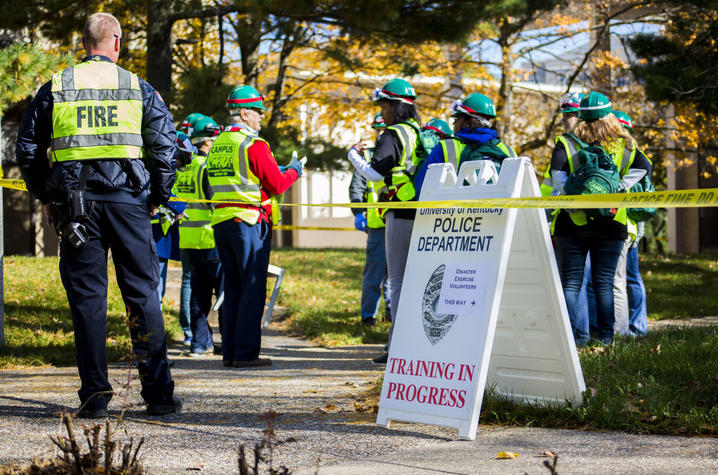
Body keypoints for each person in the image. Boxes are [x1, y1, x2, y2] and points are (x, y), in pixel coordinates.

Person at [16, 12, 179, 417]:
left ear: (83, 42)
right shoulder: (136, 86)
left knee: (88, 300)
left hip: (75, 207)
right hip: (129, 204)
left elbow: (28, 150)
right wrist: (156, 196)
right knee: (143, 295)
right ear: (117, 42)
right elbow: (164, 147)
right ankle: (157, 395)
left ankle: (95, 398)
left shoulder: (57, 86)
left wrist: (48, 197)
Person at [206, 85, 302, 368]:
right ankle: (246, 353)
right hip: (249, 223)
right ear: (245, 113)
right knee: (251, 288)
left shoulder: (219, 143)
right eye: (258, 112)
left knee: (233, 289)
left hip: (222, 222)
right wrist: (295, 169)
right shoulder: (254, 145)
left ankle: (231, 353)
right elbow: (276, 183)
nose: (261, 118)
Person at [550, 92, 651, 345]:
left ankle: (571, 342)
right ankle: (606, 340)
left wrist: (574, 196)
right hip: (612, 222)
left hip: (572, 223)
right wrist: (621, 187)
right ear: (609, 115)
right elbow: (645, 167)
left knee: (571, 283)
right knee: (604, 284)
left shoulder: (567, 142)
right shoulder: (625, 143)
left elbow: (557, 177)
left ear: (581, 116)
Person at [348, 78, 426, 364]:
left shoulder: (392, 134)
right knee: (415, 282)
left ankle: (398, 348)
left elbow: (375, 174)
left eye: (383, 105)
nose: (381, 111)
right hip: (423, 211)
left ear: (394, 106)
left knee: (398, 282)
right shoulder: (418, 131)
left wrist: (353, 156)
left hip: (400, 211)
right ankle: (409, 345)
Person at [176, 115, 224, 356]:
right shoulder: (206, 168)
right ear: (205, 141)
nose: (216, 143)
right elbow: (215, 204)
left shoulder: (184, 167)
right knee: (222, 293)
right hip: (209, 239)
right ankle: (229, 342)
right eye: (214, 139)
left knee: (197, 294)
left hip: (188, 239)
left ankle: (199, 343)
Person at [413, 93, 516, 194]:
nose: (453, 124)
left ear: (466, 122)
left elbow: (421, 189)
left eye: (456, 119)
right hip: (498, 210)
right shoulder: (509, 152)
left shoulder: (445, 148)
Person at [348, 113, 390, 327]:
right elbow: (357, 185)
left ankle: (391, 316)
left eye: (384, 129)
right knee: (374, 274)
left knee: (394, 275)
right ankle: (368, 318)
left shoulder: (397, 151)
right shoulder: (369, 155)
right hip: (377, 224)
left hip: (397, 220)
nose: (381, 133)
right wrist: (358, 211)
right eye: (378, 130)